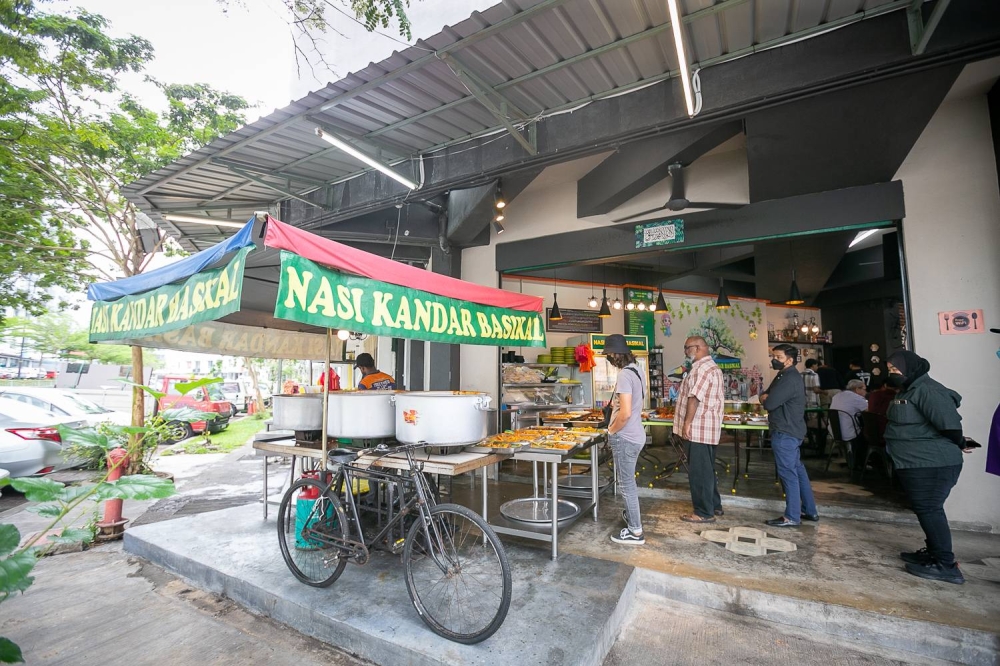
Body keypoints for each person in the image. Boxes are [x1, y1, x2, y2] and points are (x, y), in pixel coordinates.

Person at [885, 350, 972, 584]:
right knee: (925, 509)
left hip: (932, 463)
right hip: (915, 462)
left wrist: (961, 443)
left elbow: (950, 426)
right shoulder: (909, 390)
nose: (891, 373)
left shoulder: (929, 390)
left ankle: (946, 565)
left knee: (930, 509)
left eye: (895, 369)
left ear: (910, 368)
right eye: (890, 370)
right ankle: (933, 553)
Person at [761, 344, 818, 527]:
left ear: (790, 360)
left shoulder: (790, 378)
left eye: (778, 356)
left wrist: (766, 398)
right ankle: (809, 510)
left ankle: (792, 516)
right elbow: (766, 394)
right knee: (798, 470)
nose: (774, 359)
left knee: (788, 473)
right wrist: (766, 397)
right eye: (773, 356)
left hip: (785, 431)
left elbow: (769, 402)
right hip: (791, 430)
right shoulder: (783, 375)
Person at [673, 336, 725, 523]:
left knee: (699, 472)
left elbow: (694, 398)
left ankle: (703, 512)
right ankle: (714, 505)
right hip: (707, 428)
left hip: (698, 428)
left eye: (687, 348)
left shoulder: (702, 369)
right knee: (707, 469)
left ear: (698, 348)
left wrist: (687, 423)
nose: (685, 351)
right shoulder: (711, 367)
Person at [604, 334, 647, 545]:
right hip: (637, 434)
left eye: (609, 355)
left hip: (626, 437)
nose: (608, 359)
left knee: (626, 484)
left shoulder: (623, 375)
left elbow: (626, 413)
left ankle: (635, 531)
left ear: (615, 354)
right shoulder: (638, 370)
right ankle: (632, 518)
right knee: (628, 481)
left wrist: (611, 430)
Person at [830, 379, 868, 469]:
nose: (865, 391)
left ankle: (855, 461)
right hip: (850, 433)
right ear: (857, 389)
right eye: (864, 389)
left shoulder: (837, 396)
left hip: (834, 432)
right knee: (868, 435)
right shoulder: (857, 398)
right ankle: (862, 463)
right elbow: (869, 412)